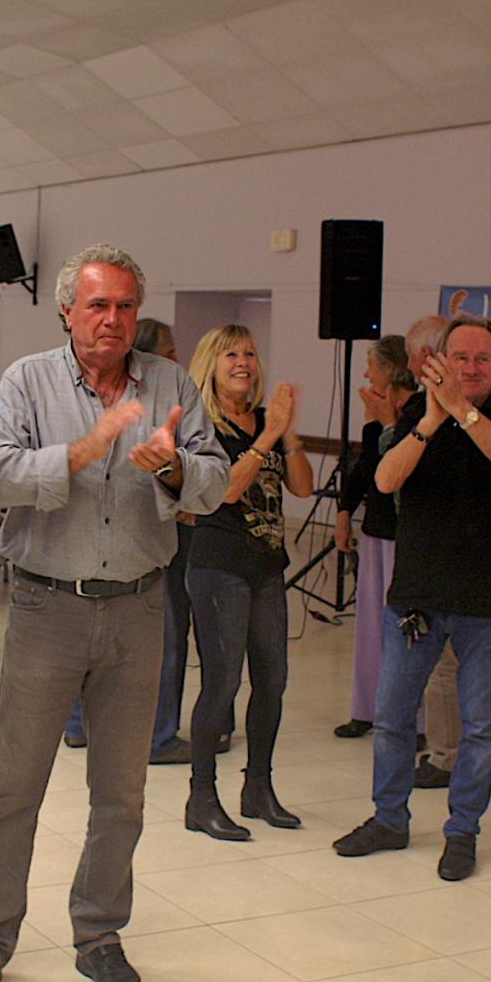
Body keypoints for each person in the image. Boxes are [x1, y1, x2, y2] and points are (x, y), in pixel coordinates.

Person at [0, 245, 225, 982]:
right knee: (15, 785)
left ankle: (99, 932)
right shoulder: (27, 381)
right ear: (67, 310)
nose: (113, 319)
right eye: (98, 305)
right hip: (47, 608)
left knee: (123, 792)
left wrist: (172, 469)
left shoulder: (171, 383)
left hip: (140, 607)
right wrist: (85, 448)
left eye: (126, 305)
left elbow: (217, 478)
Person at [333, 314, 491, 882]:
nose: (470, 368)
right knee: (394, 717)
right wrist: (428, 419)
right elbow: (385, 481)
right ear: (439, 363)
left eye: (482, 359)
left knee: (480, 727)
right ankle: (389, 819)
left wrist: (463, 412)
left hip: (489, 604)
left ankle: (462, 830)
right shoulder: (413, 419)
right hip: (418, 600)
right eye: (461, 358)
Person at [181, 325, 314, 840]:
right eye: (231, 354)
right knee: (222, 683)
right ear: (210, 365)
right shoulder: (202, 428)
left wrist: (287, 431)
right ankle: (202, 797)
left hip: (266, 567)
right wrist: (265, 436)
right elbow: (225, 493)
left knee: (273, 681)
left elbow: (300, 486)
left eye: (251, 354)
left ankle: (258, 787)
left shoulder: (267, 422)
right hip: (218, 567)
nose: (243, 362)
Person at [60, 316, 198, 762]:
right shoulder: (125, 403)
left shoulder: (171, 398)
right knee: (161, 642)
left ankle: (86, 725)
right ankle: (155, 736)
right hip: (115, 553)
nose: (177, 362)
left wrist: (176, 472)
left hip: (142, 544)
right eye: (171, 352)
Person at [333, 335, 416, 739]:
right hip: (376, 533)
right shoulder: (375, 412)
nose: (366, 373)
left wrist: (388, 423)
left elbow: (402, 472)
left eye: (372, 365)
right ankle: (365, 709)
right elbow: (366, 469)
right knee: (371, 627)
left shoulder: (419, 411)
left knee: (406, 629)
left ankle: (413, 721)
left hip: (409, 537)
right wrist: (344, 512)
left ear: (391, 368)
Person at [403, 314, 458, 789]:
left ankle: (447, 756)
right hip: (421, 563)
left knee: (448, 670)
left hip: (460, 570)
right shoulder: (416, 414)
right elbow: (387, 479)